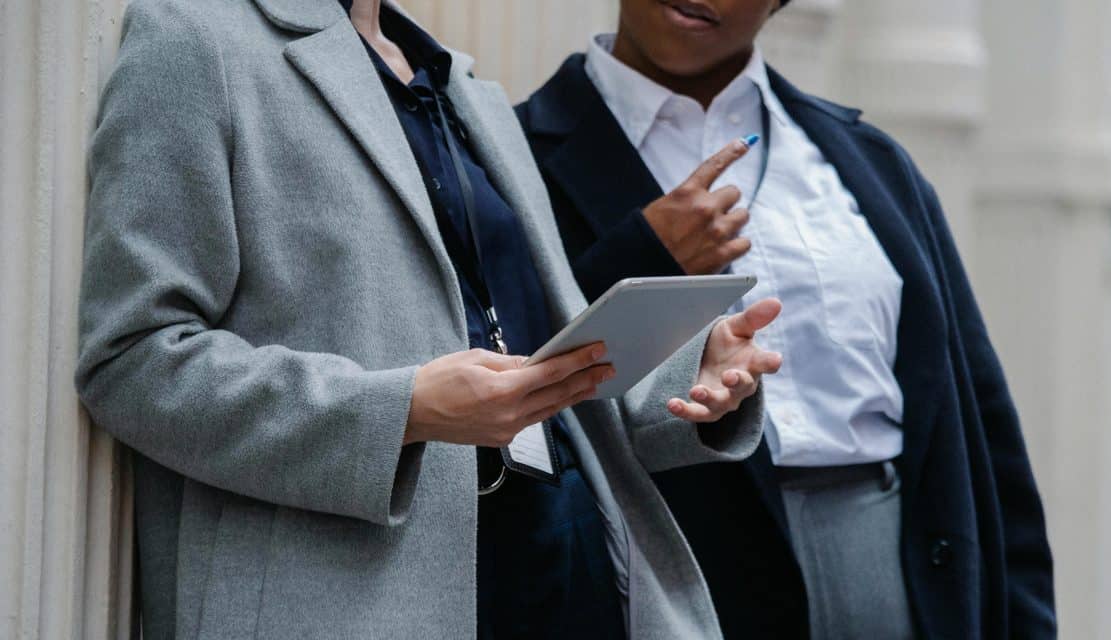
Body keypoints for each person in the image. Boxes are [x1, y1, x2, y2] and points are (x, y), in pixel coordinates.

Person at [75, 0, 785, 637]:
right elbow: (133, 360)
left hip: (572, 556)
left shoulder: (464, 87)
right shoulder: (194, 40)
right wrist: (404, 409)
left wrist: (692, 377)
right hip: (356, 592)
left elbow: (547, 352)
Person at [516, 0, 1057, 638]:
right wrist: (641, 256)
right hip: (668, 579)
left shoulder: (872, 163)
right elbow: (508, 385)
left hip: (897, 564)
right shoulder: (508, 153)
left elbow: (978, 425)